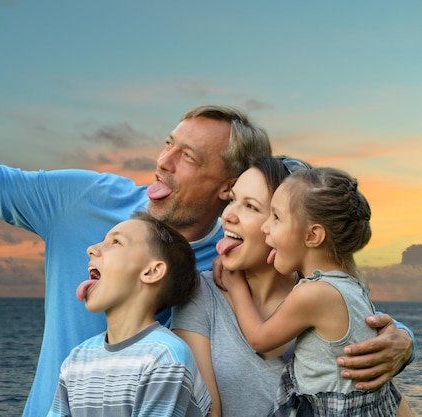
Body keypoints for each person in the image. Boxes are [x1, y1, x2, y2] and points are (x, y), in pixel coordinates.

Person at [0, 66, 415, 417]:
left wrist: (398, 342)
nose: (164, 162)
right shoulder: (83, 201)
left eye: (190, 158)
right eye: (168, 144)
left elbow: (321, 259)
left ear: (229, 188)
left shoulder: (235, 263)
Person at [171, 157, 415, 417]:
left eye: (252, 207)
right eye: (231, 200)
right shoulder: (201, 295)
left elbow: (378, 396)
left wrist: (404, 343)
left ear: (309, 233)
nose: (227, 215)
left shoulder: (317, 297)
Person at [47, 212, 213, 417]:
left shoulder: (166, 357)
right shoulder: (77, 359)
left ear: (152, 272)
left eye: (116, 242)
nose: (91, 249)